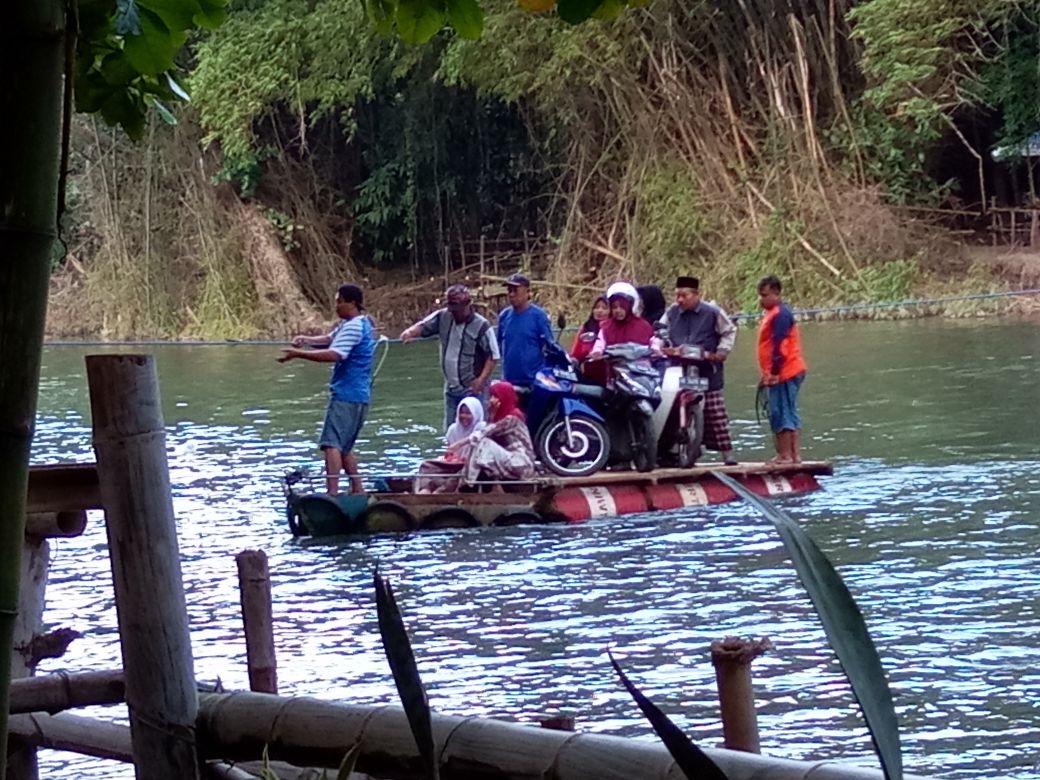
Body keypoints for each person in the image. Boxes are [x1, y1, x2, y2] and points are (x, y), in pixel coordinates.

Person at [278, 283, 375, 495]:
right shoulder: (358, 324)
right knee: (345, 446)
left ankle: (332, 494)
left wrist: (298, 354)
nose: (337, 306)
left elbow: (335, 353)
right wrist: (306, 340)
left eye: (340, 302)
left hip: (347, 394)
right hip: (360, 396)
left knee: (331, 444)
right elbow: (330, 340)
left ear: (352, 303)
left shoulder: (353, 327)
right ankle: (358, 490)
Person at [661, 275, 739, 466]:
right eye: (677, 295)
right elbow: (660, 330)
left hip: (707, 369)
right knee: (674, 409)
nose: (679, 300)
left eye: (684, 295)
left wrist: (721, 351)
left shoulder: (712, 312)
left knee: (715, 411)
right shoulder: (672, 312)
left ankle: (727, 454)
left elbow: (729, 331)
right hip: (680, 368)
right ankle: (675, 451)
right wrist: (663, 345)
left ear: (696, 295)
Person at [400, 284, 500, 432]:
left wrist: (481, 380)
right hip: (451, 389)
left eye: (457, 310)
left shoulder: (482, 326)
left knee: (476, 431)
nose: (454, 313)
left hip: (473, 389)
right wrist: (410, 332)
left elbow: (493, 356)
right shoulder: (444, 316)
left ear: (467, 305)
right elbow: (424, 325)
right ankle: (452, 454)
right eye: (452, 309)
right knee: (451, 431)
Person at [757, 274, 808, 464]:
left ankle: (786, 455)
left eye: (765, 295)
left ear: (776, 294)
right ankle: (794, 456)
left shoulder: (780, 315)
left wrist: (775, 373)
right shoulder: (777, 313)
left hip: (785, 372)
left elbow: (780, 346)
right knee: (788, 410)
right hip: (785, 371)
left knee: (781, 411)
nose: (761, 300)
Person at [463, 381, 537, 489]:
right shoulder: (499, 416)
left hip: (522, 463)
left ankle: (467, 483)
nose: (492, 400)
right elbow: (490, 433)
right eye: (491, 396)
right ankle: (470, 480)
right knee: (483, 444)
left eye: (496, 396)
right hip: (509, 460)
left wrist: (458, 445)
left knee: (483, 442)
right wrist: (492, 414)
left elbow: (483, 434)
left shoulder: (513, 417)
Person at [414, 397, 486, 494]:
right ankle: (425, 489)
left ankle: (439, 492)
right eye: (461, 412)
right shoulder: (453, 429)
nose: (464, 416)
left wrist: (461, 451)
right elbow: (450, 452)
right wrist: (450, 458)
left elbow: (476, 440)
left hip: (471, 466)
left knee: (459, 474)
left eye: (468, 413)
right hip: (454, 465)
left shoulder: (481, 426)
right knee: (426, 465)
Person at [497, 273, 556, 387]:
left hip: (533, 381)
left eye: (515, 290)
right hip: (509, 381)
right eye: (509, 290)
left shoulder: (539, 316)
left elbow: (549, 346)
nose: (511, 294)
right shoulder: (504, 316)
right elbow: (498, 345)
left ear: (527, 291)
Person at [588, 281, 657, 356]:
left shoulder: (644, 326)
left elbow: (653, 342)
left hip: (639, 365)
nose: (618, 310)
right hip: (613, 364)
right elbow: (600, 342)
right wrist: (597, 351)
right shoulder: (606, 327)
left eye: (622, 307)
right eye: (614, 307)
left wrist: (656, 348)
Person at [570, 295, 609, 362]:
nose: (599, 310)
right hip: (584, 365)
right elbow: (575, 352)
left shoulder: (612, 329)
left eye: (604, 308)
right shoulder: (585, 328)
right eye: (596, 307)